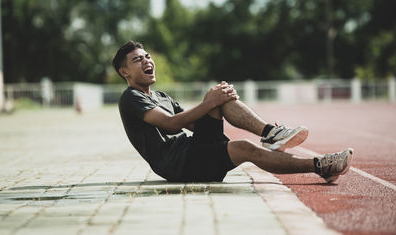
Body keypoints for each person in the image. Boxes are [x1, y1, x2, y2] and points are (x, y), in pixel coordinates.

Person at [112, 40, 353, 183]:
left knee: (221, 95)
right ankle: (321, 166)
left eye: (147, 56)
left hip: (194, 149)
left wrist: (215, 100)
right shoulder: (131, 98)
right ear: (125, 72)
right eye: (137, 60)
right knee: (244, 148)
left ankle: (271, 132)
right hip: (179, 164)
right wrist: (208, 103)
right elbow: (171, 124)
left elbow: (195, 124)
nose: (147, 61)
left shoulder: (161, 96)